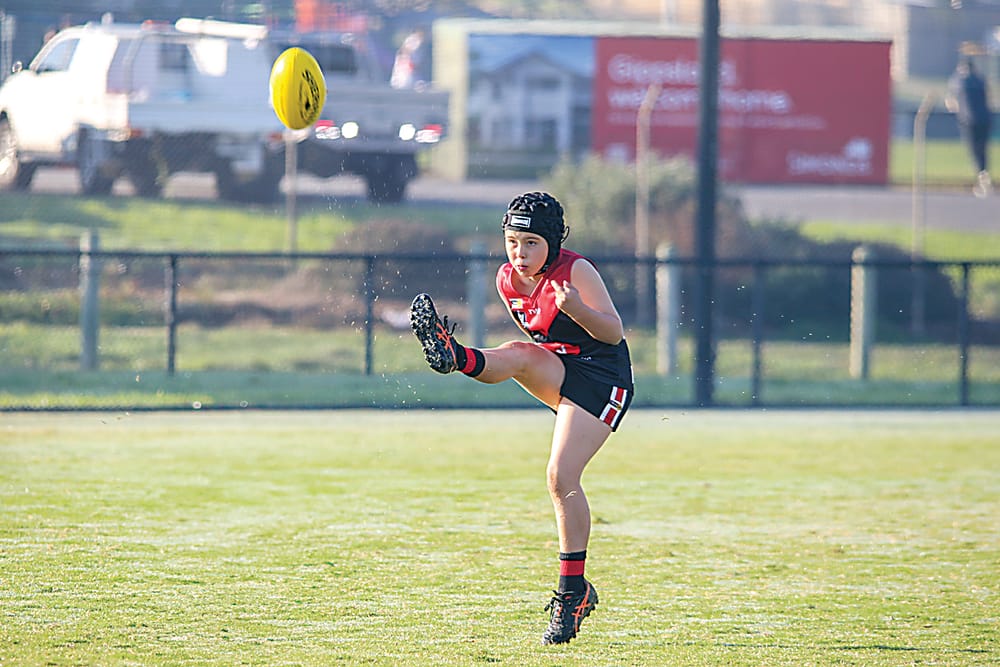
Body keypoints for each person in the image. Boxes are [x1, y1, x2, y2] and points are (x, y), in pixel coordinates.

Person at [409, 191, 634, 645]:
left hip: (605, 380)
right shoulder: (507, 279)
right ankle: (454, 355)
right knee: (517, 354)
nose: (520, 253)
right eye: (513, 241)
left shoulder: (577, 271)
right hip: (562, 367)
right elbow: (542, 346)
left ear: (551, 242)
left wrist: (578, 310)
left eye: (532, 243)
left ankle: (574, 594)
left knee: (560, 477)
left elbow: (613, 332)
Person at [946, 56, 993, 197]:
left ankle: (982, 177)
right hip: (985, 119)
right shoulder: (980, 80)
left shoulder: (959, 81)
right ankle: (983, 175)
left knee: (974, 150)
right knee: (982, 150)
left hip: (969, 120)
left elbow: (951, 103)